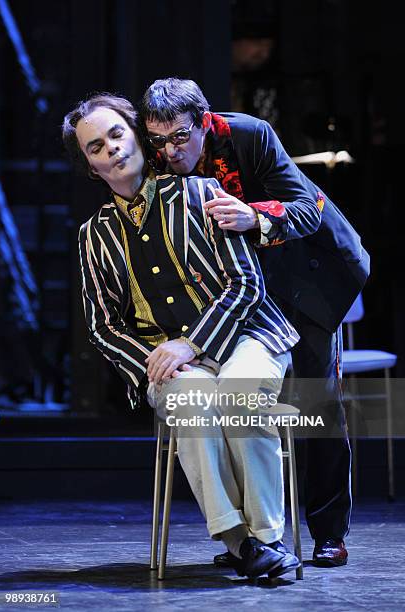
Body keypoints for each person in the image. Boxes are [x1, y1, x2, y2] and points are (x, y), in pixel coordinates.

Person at [62, 93, 302, 580]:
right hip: (165, 358)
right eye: (95, 147)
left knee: (239, 393)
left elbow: (246, 283)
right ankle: (241, 545)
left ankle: (268, 535)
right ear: (90, 167)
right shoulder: (94, 234)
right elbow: (102, 324)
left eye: (116, 134)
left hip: (246, 335)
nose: (110, 149)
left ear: (137, 138)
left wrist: (190, 343)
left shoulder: (201, 193)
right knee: (191, 396)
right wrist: (158, 360)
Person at [140, 77, 371, 567]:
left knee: (316, 403)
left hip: (306, 273)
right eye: (159, 141)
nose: (170, 151)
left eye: (181, 137)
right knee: (235, 401)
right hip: (243, 289)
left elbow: (306, 209)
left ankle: (329, 532)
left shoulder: (250, 134)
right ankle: (255, 540)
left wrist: (254, 217)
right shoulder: (159, 159)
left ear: (202, 123)